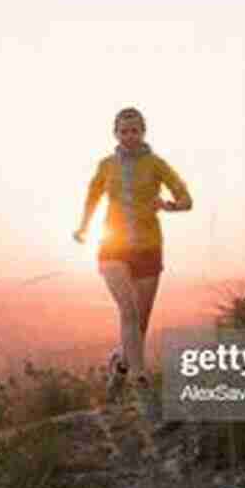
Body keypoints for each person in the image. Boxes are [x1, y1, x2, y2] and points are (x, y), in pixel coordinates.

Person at [73, 107, 192, 401]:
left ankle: (121, 366)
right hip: (113, 247)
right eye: (124, 131)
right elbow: (92, 197)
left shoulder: (157, 164)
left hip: (149, 249)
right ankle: (140, 380)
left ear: (143, 132)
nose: (129, 136)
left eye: (134, 130)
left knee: (140, 322)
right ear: (115, 133)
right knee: (128, 311)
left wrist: (167, 206)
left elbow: (186, 199)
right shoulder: (106, 166)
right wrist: (83, 228)